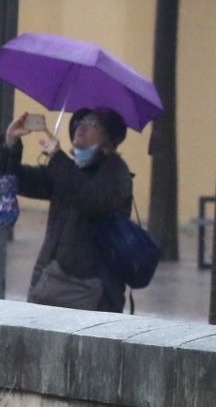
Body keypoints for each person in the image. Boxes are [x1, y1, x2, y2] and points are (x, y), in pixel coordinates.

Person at [2, 106, 134, 312]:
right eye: (79, 122)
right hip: (50, 283)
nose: (81, 127)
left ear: (109, 137)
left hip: (91, 292)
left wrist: (57, 157)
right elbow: (17, 179)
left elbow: (93, 199)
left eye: (92, 124)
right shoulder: (70, 169)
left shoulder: (116, 172)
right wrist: (10, 143)